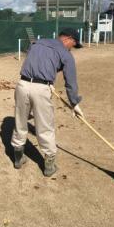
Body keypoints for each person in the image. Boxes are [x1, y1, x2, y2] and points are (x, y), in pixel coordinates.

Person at [11, 28, 84, 177]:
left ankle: (18, 158)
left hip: (22, 85)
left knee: (20, 122)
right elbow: (70, 81)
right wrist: (74, 103)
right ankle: (49, 166)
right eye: (74, 44)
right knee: (45, 127)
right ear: (68, 39)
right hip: (41, 90)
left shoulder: (38, 42)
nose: (72, 48)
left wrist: (47, 78)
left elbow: (37, 60)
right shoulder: (66, 54)